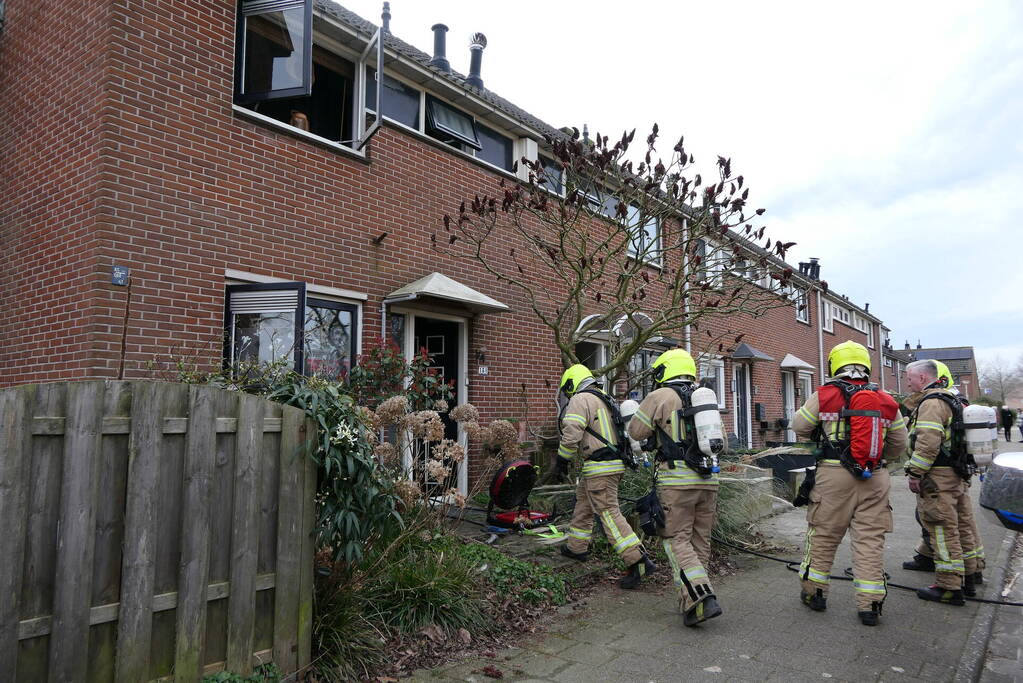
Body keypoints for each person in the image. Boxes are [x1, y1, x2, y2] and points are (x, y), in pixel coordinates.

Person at [791, 341, 908, 626]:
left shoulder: (825, 394)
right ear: (866, 365)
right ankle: (870, 604)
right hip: (875, 477)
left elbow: (799, 426)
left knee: (823, 535)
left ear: (835, 365)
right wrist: (876, 462)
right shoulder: (885, 399)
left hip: (833, 476)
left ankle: (815, 592)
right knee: (870, 541)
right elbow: (900, 444)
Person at [628, 349, 725, 627]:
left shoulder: (660, 396)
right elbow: (722, 444)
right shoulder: (704, 396)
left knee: (676, 539)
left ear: (663, 371)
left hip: (677, 482)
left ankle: (700, 597)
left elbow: (636, 431)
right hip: (709, 479)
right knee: (699, 541)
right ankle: (694, 603)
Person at [555, 364, 655, 588]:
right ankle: (576, 547)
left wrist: (562, 459)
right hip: (609, 466)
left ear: (572, 384)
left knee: (609, 514)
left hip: (600, 468)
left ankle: (638, 561)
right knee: (584, 503)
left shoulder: (580, 399)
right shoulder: (603, 397)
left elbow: (572, 431)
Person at [901, 361, 985, 592]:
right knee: (963, 525)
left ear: (922, 377)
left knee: (941, 529)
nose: (907, 382)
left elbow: (927, 442)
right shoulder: (951, 399)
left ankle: (949, 587)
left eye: (909, 378)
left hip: (937, 477)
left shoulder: (931, 403)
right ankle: (970, 574)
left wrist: (915, 473)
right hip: (955, 474)